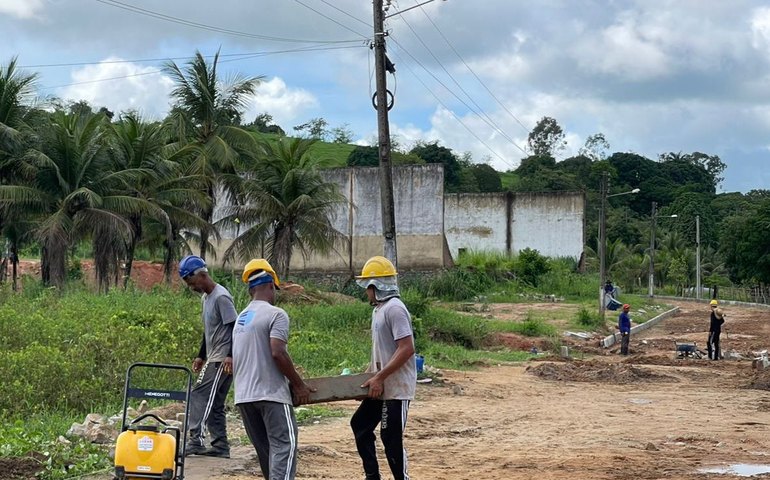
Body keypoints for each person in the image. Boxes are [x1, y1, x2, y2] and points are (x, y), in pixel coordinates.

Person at [232, 259, 314, 480]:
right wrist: (299, 385)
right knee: (284, 447)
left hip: (244, 397)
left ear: (251, 289)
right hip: (271, 395)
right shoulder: (276, 314)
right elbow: (277, 352)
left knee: (267, 453)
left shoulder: (241, 318)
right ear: (270, 285)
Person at [351, 256, 416, 480]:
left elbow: (407, 348)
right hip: (381, 385)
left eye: (367, 287)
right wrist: (369, 380)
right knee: (360, 424)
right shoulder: (378, 310)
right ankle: (372, 475)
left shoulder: (395, 309)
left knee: (390, 437)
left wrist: (379, 377)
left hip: (396, 388)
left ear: (375, 286)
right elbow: (381, 351)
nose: (366, 292)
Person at [178, 255, 238, 458]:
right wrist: (200, 355)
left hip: (222, 358)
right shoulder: (206, 298)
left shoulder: (221, 297)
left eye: (191, 282)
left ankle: (196, 440)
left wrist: (230, 355)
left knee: (199, 395)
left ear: (202, 275)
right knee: (216, 403)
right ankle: (221, 446)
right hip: (213, 356)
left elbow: (234, 327)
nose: (190, 287)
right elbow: (209, 330)